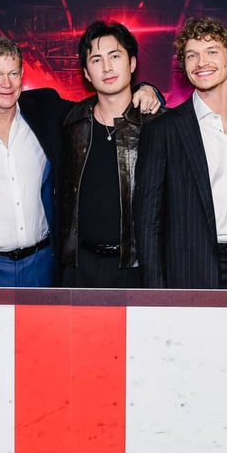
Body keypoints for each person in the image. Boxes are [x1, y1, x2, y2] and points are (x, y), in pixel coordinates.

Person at [0, 35, 162, 287]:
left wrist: (147, 89)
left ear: (22, 74)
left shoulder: (45, 110)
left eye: (13, 73)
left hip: (41, 264)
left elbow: (105, 102)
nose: (7, 84)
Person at [134, 16, 227, 289]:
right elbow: (147, 223)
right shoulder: (163, 131)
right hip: (193, 269)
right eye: (192, 55)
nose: (201, 63)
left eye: (212, 51)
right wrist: (155, 295)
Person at [59, 21, 165, 287]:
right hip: (78, 268)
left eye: (115, 56)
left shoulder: (160, 126)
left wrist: (152, 91)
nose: (107, 67)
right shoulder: (71, 121)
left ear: (131, 64)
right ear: (86, 72)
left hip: (138, 269)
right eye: (96, 60)